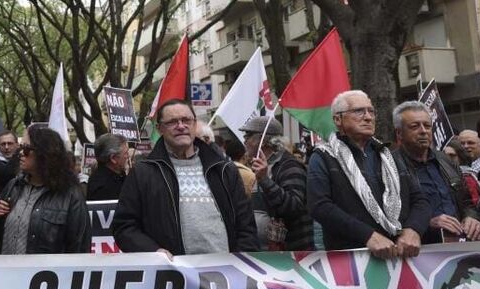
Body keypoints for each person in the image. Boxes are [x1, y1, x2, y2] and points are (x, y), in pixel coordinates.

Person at [113, 99, 258, 257]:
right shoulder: (143, 173)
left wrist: (242, 261)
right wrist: (154, 252)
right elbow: (124, 227)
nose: (181, 126)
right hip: (173, 274)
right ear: (159, 128)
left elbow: (246, 226)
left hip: (225, 272)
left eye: (186, 120)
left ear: (195, 124)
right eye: (172, 122)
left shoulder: (224, 170)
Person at [308, 90, 429, 258]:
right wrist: (368, 236)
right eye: (359, 111)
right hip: (352, 261)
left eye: (371, 111)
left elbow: (419, 199)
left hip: (401, 257)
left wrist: (413, 230)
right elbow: (320, 206)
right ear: (338, 119)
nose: (368, 117)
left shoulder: (389, 155)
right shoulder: (323, 156)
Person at [0, 126, 90, 254]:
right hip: (5, 272)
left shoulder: (71, 195)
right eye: (21, 148)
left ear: (45, 153)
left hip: (47, 273)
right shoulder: (13, 187)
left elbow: (79, 248)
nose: (21, 153)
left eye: (27, 149)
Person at [392, 103, 480, 243]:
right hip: (420, 250)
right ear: (399, 133)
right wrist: (426, 223)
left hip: (459, 244)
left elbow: (466, 202)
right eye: (415, 126)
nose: (423, 131)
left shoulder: (446, 160)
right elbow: (389, 216)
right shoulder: (390, 166)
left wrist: (471, 218)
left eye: (427, 126)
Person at [242, 116, 313, 251]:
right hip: (266, 253)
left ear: (263, 141)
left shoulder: (290, 166)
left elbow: (294, 207)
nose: (244, 141)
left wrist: (265, 180)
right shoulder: (263, 166)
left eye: (248, 136)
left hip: (290, 254)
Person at [86, 133, 129, 200]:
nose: (128, 156)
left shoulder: (120, 176)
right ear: (113, 158)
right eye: (126, 153)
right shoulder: (103, 188)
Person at [444, 137, 480, 208]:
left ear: (460, 157)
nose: (448, 159)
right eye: (445, 156)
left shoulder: (466, 177)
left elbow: (474, 204)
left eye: (452, 156)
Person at [0, 130, 20, 194]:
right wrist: (18, 153)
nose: (6, 147)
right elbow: (9, 173)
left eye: (10, 143)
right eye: (3, 144)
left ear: (17, 145)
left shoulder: (24, 161)